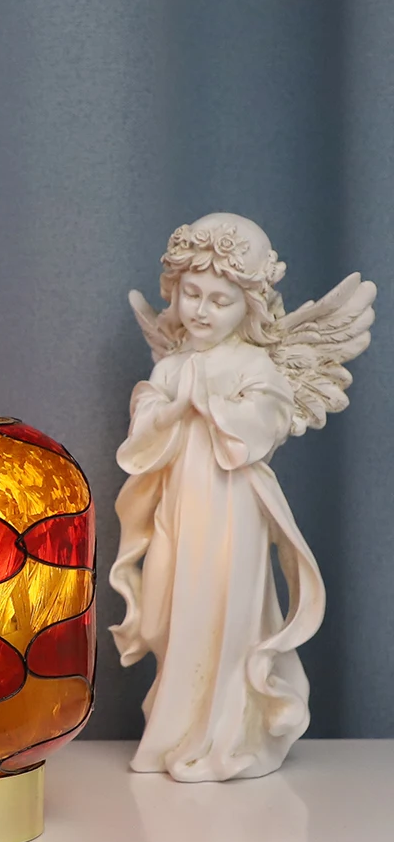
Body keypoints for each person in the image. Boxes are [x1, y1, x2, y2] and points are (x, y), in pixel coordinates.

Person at [109, 213, 372, 782]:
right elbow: (142, 434)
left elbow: (262, 427)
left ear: (247, 306)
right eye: (191, 294)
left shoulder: (255, 364)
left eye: (220, 300)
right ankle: (176, 728)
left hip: (232, 510)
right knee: (171, 611)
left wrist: (211, 404)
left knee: (224, 613)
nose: (201, 311)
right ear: (174, 292)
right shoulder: (172, 366)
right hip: (178, 506)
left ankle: (223, 734)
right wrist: (175, 408)